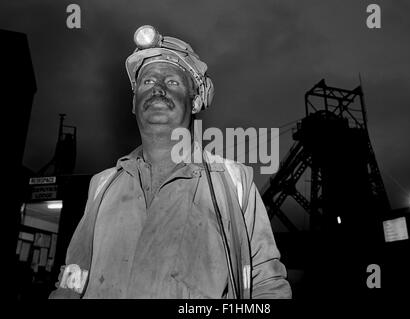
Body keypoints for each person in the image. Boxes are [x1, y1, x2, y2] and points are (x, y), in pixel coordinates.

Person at [49, 25, 291, 299]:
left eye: (173, 82)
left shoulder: (233, 181)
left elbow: (267, 287)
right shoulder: (103, 185)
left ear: (197, 101)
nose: (158, 89)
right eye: (148, 82)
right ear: (134, 101)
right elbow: (71, 282)